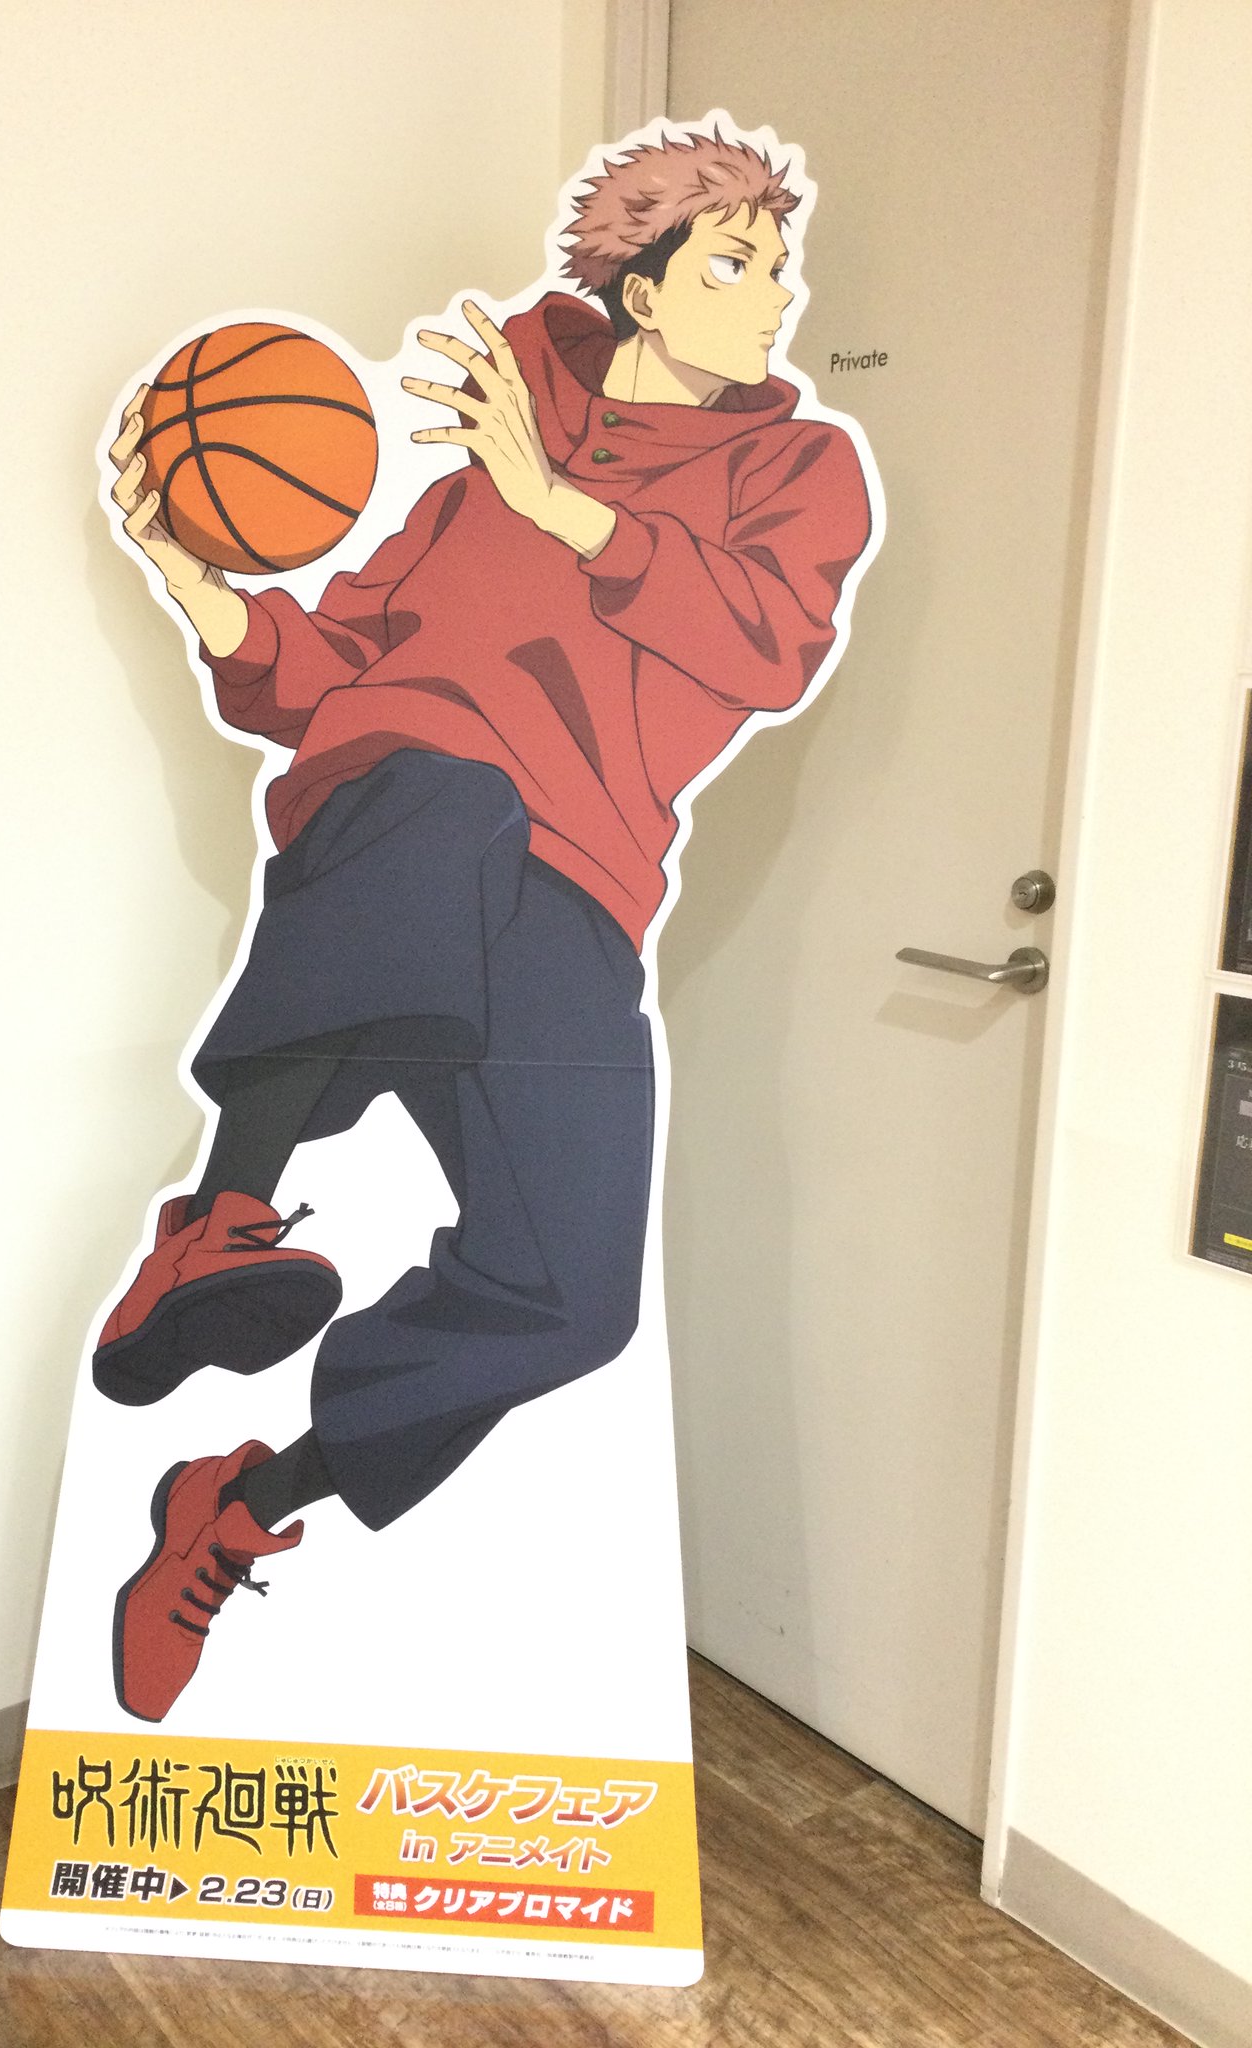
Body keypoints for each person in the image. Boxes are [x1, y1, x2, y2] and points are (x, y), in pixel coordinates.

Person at [100, 129, 873, 1722]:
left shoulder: (795, 474)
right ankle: (223, 1219)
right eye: (736, 265)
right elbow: (340, 665)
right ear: (644, 291)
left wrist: (562, 504)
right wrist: (198, 583)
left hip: (573, 894)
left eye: (780, 266)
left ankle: (235, 1504)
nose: (776, 297)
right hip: (402, 830)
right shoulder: (492, 456)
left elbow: (764, 642)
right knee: (445, 786)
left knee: (569, 1300)